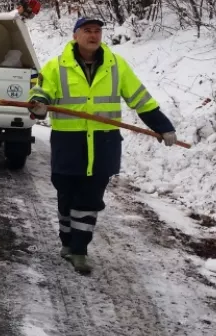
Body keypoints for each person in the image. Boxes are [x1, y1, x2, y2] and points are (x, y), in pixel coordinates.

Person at [29, 17, 178, 274]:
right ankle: (67, 242)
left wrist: (162, 125)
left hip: (103, 145)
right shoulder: (56, 66)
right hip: (68, 145)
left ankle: (79, 251)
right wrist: (39, 104)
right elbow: (40, 91)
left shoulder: (116, 66)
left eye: (97, 31)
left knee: (89, 199)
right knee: (66, 198)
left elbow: (140, 98)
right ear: (75, 35)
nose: (94, 35)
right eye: (87, 31)